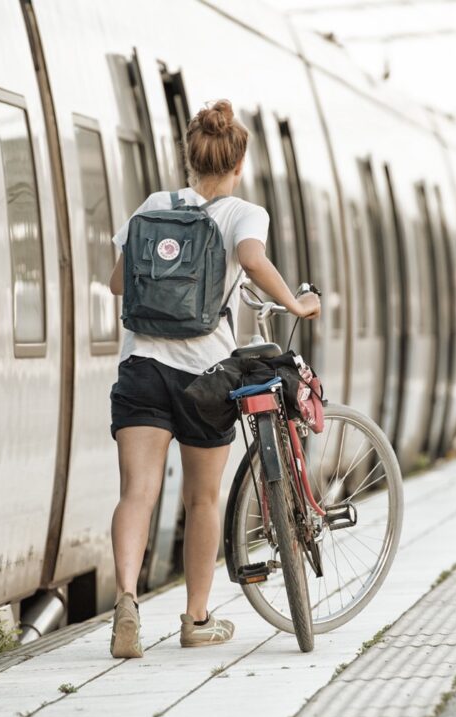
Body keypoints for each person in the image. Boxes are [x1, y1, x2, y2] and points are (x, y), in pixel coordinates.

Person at [106, 100, 321, 657]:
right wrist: (295, 306)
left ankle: (126, 601)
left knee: (138, 492)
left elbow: (116, 283)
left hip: (141, 369)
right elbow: (251, 260)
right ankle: (195, 618)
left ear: (189, 158)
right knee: (202, 499)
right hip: (203, 378)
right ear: (238, 164)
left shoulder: (151, 208)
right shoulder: (243, 213)